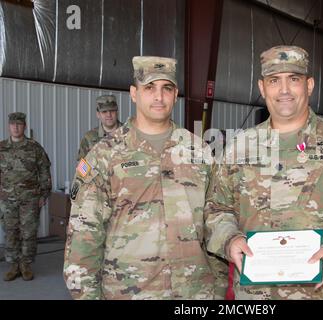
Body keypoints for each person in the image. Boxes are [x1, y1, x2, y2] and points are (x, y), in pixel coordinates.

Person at [204, 45, 323, 299]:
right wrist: (230, 239)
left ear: (309, 85)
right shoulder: (238, 148)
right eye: (274, 81)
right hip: (257, 296)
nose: (284, 90)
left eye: (293, 79)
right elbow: (216, 208)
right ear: (263, 88)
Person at [64, 56, 227, 300]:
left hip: (194, 293)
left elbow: (215, 217)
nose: (159, 97)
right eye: (149, 87)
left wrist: (219, 288)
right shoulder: (104, 155)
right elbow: (83, 236)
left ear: (175, 94)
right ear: (133, 93)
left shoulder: (199, 151)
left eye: (166, 88)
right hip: (129, 292)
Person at [0, 112, 52, 281]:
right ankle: (13, 265)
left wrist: (44, 193)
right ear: (9, 126)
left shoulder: (35, 148)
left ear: (24, 126)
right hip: (7, 199)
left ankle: (26, 264)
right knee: (10, 232)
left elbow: (44, 171)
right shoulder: (1, 148)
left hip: (30, 199)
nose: (16, 127)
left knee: (28, 232)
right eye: (13, 124)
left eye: (19, 124)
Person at [77, 94, 122, 161]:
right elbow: (82, 166)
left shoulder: (129, 133)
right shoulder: (89, 138)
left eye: (112, 111)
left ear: (117, 112)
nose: (108, 115)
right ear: (98, 114)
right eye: (104, 112)